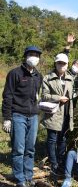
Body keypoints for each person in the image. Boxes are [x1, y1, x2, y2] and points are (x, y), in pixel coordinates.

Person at [2, 46, 43, 187]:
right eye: (31, 54)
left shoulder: (38, 76)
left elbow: (36, 96)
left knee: (30, 148)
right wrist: (7, 118)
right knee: (19, 149)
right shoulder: (15, 73)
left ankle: (28, 176)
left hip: (33, 117)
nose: (34, 57)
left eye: (37, 55)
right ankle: (19, 179)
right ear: (25, 56)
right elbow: (7, 96)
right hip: (18, 115)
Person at [41, 53, 74, 174]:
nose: (61, 65)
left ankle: (60, 161)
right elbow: (44, 96)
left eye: (64, 63)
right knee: (52, 139)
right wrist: (58, 98)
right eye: (59, 63)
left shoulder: (70, 78)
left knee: (62, 139)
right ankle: (53, 162)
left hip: (66, 114)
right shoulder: (48, 78)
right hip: (53, 114)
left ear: (67, 65)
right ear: (55, 63)